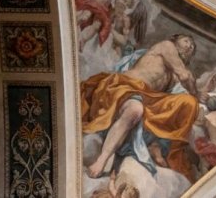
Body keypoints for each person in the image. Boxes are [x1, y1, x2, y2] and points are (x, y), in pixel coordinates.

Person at [81, 34, 203, 179]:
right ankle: (101, 160)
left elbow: (179, 90)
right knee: (135, 110)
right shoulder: (167, 46)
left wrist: (195, 98)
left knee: (187, 103)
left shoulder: (172, 76)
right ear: (175, 41)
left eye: (192, 47)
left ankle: (152, 149)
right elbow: (185, 76)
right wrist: (197, 93)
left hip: (146, 97)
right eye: (187, 41)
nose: (189, 46)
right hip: (126, 86)